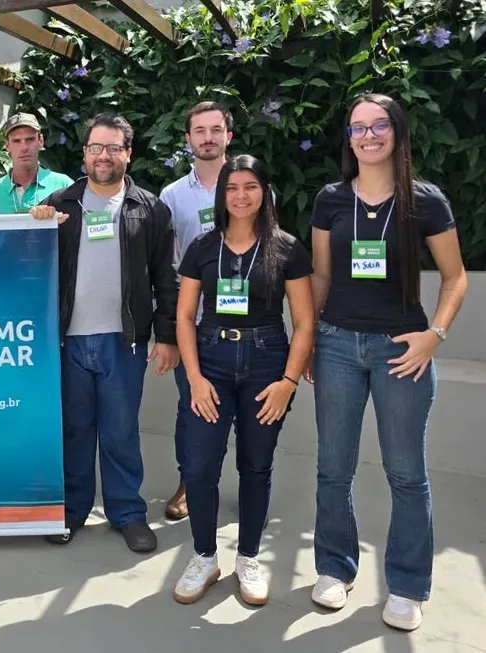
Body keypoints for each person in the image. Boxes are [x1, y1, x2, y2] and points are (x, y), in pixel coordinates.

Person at [307, 94, 467, 631]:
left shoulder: (426, 201)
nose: (368, 135)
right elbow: (322, 279)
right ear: (349, 139)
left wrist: (434, 336)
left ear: (396, 131)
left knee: (406, 472)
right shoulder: (330, 199)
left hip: (403, 351)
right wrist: (306, 343)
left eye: (378, 125)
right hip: (336, 345)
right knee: (334, 468)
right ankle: (334, 568)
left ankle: (406, 584)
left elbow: (454, 277)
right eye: (357, 128)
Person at [29, 113, 179, 553]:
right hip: (68, 340)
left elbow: (165, 279)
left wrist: (165, 336)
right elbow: (32, 266)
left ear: (128, 154)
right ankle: (73, 510)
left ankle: (127, 513)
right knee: (74, 429)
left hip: (123, 341)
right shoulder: (59, 204)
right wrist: (35, 223)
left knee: (119, 431)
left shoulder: (150, 209)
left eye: (114, 148)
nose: (104, 155)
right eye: (96, 147)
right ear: (84, 153)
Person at [172, 154, 314, 606]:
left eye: (250, 186)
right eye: (232, 188)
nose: (240, 196)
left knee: (255, 466)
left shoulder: (287, 249)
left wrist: (288, 381)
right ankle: (205, 556)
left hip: (265, 360)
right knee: (198, 466)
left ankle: (248, 557)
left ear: (265, 193)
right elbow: (183, 316)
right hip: (210, 359)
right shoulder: (202, 247)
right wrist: (193, 376)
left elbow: (305, 322)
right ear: (221, 195)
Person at [158, 101, 235, 521]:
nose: (207, 137)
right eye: (199, 130)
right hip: (195, 324)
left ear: (228, 136)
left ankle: (250, 482)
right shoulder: (170, 197)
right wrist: (168, 329)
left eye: (215, 129)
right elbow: (166, 266)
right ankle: (189, 484)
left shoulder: (250, 186)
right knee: (192, 408)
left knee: (246, 413)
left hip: (247, 322)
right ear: (188, 139)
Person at [0, 112, 74, 215]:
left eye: (30, 139)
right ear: (7, 145)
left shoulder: (64, 185)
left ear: (40, 141)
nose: (24, 148)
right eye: (16, 141)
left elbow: (80, 227)